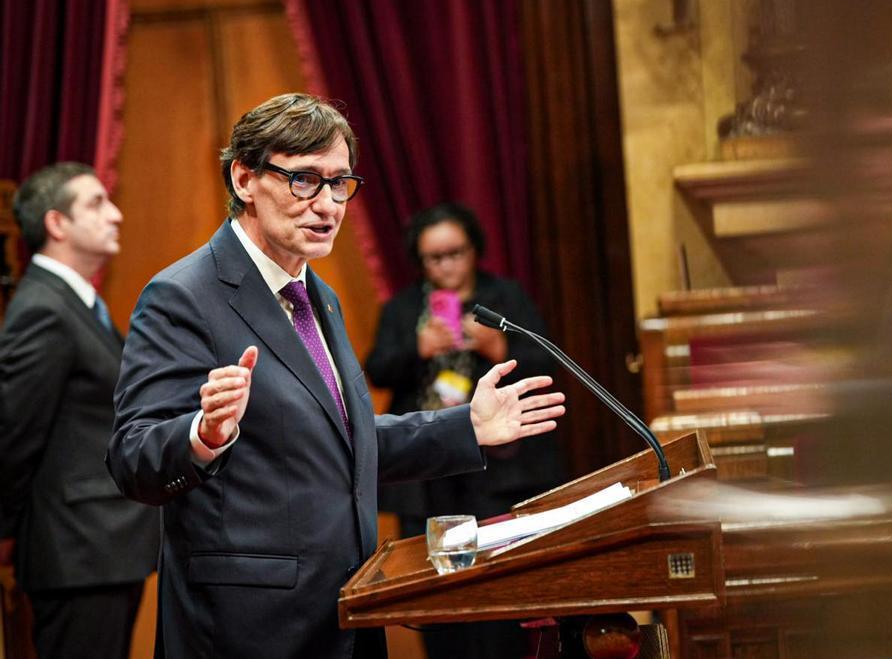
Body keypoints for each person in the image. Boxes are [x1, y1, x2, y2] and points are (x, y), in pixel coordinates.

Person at [106, 93, 565, 659]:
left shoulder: (316, 295)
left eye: (340, 182)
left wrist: (466, 427)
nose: (327, 204)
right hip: (249, 627)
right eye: (304, 180)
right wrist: (202, 435)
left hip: (348, 609)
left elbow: (343, 444)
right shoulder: (183, 296)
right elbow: (131, 459)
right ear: (244, 178)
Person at [365, 203, 564, 658]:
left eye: (456, 253)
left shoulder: (505, 297)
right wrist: (418, 349)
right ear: (420, 261)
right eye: (435, 257)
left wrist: (501, 347)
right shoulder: (403, 307)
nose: (447, 265)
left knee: (504, 602)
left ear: (474, 251)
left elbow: (547, 365)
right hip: (429, 478)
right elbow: (376, 370)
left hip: (502, 474)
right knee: (441, 606)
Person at [0, 162, 158, 659]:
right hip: (76, 551)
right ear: (56, 224)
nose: (116, 215)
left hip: (102, 548)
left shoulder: (75, 301)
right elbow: (12, 434)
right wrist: (6, 535)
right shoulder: (42, 308)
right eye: (96, 203)